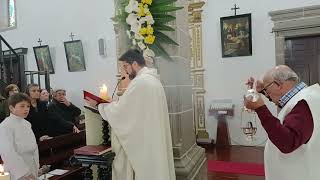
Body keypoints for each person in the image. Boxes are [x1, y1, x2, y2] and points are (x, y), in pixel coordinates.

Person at [86, 49, 175, 180]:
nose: (125, 71)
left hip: (147, 141)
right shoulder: (154, 81)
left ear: (134, 64)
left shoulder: (140, 82)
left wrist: (99, 105)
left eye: (126, 66)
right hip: (152, 137)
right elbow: (132, 108)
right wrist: (113, 104)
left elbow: (121, 112)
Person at [244, 65, 320, 180]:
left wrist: (260, 108)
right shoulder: (305, 97)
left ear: (278, 85)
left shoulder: (303, 104)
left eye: (267, 89)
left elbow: (287, 142)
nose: (267, 94)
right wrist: (261, 92)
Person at [0, 93, 39, 180]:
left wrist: (36, 165)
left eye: (28, 106)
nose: (26, 109)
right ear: (11, 108)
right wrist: (24, 173)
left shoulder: (27, 124)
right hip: (17, 172)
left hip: (32, 165)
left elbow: (34, 146)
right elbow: (8, 152)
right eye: (22, 106)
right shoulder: (5, 126)